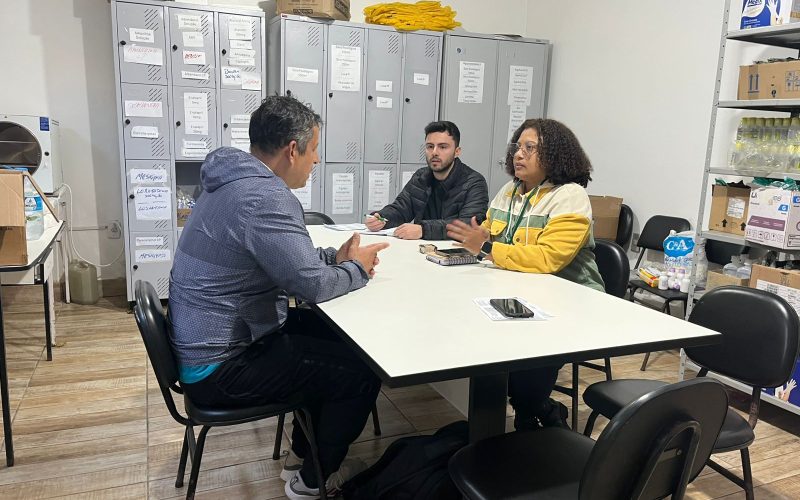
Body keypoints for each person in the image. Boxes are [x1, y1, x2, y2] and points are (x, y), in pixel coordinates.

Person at [168, 95, 389, 500]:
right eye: (315, 149)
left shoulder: (231, 182)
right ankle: (313, 481)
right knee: (361, 371)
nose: (317, 160)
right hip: (221, 369)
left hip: (210, 347)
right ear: (293, 150)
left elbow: (280, 262)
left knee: (336, 340)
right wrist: (356, 269)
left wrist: (332, 258)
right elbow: (313, 286)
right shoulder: (264, 197)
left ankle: (303, 455)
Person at [446, 118, 605, 430]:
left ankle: (537, 416)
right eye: (518, 147)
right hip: (520, 296)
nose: (519, 155)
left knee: (522, 381)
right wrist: (474, 243)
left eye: (530, 148)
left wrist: (487, 247)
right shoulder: (510, 191)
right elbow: (487, 235)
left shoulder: (569, 196)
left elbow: (547, 259)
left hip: (569, 303)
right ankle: (534, 409)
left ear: (555, 155)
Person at [364, 121, 489, 240]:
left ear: (457, 152)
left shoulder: (474, 182)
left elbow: (468, 224)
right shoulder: (421, 177)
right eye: (430, 146)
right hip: (421, 250)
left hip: (455, 253)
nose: (434, 152)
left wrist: (423, 230)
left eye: (443, 147)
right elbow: (401, 208)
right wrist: (381, 218)